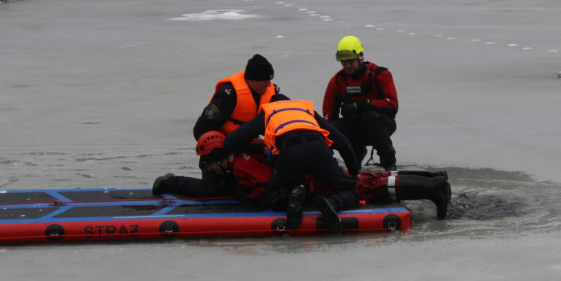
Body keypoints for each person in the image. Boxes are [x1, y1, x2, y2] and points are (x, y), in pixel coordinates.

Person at [199, 132, 452, 219]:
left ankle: (434, 188)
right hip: (310, 166)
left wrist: (251, 196)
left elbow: (267, 185)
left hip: (310, 177)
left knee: (366, 186)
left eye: (209, 164)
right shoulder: (245, 155)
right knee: (366, 181)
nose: (209, 169)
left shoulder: (242, 165)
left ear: (218, 157)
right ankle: (433, 181)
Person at [219, 99, 361, 233]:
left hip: (290, 153)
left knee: (272, 193)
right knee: (350, 191)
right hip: (319, 150)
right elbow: (344, 144)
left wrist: (259, 149)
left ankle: (292, 197)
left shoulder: (268, 114)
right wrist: (354, 171)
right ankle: (333, 203)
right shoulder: (306, 111)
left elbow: (230, 143)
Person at [152, 54, 285, 197]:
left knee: (251, 187)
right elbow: (201, 129)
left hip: (249, 149)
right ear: (251, 80)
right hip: (219, 150)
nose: (268, 84)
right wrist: (215, 157)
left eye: (270, 80)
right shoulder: (228, 95)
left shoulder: (271, 93)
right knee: (208, 190)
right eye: (265, 81)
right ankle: (168, 182)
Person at [323, 35, 399, 171]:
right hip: (355, 129)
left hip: (381, 125)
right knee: (328, 131)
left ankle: (389, 165)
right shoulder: (337, 82)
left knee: (369, 117)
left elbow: (392, 105)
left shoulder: (381, 75)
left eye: (350, 61)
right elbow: (328, 117)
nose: (347, 66)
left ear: (360, 58)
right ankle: (341, 166)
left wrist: (363, 104)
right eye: (343, 62)